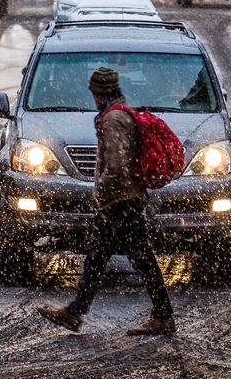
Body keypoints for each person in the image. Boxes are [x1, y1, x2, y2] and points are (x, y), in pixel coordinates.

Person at [37, 67, 176, 336]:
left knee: (132, 258)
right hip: (125, 198)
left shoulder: (113, 119)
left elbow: (116, 164)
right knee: (103, 259)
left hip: (121, 201)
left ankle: (161, 315)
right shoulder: (119, 113)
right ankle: (76, 313)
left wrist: (103, 196)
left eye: (93, 92)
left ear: (98, 93)